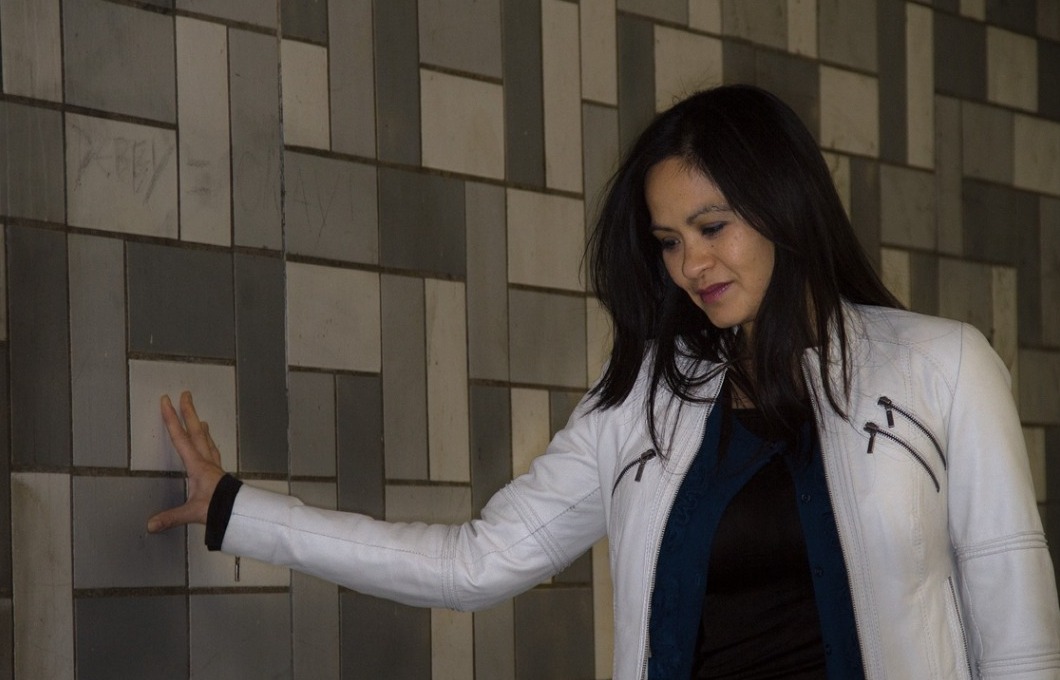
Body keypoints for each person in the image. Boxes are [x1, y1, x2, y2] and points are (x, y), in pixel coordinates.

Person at [148, 85, 1060, 679]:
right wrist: (239, 511)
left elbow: (1014, 625)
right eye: (669, 241)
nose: (691, 264)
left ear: (786, 206)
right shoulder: (645, 403)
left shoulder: (943, 367)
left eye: (713, 226)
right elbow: (475, 562)